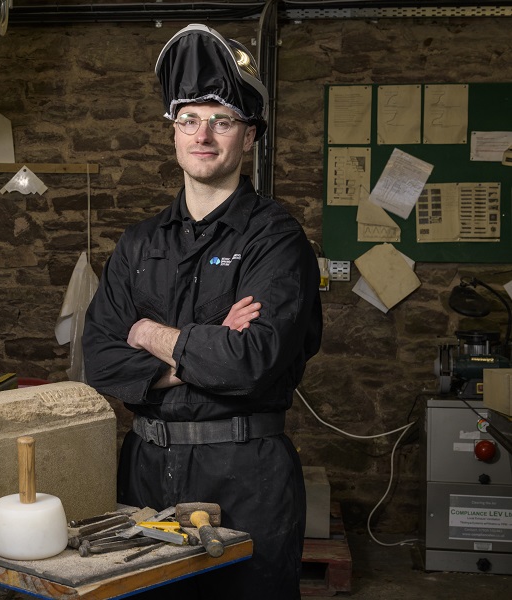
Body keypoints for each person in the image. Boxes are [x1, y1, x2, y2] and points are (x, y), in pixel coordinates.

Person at [82, 24, 323, 599]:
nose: (203, 135)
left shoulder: (276, 239)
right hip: (144, 470)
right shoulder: (139, 243)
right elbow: (101, 358)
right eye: (188, 119)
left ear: (250, 136)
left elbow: (252, 359)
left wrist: (148, 334)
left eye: (222, 120)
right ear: (173, 131)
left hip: (245, 474)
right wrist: (201, 346)